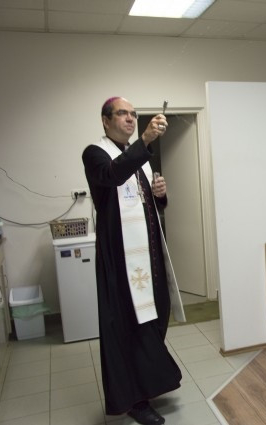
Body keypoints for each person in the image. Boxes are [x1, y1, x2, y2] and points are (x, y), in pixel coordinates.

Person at [82, 97, 181, 425]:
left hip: (149, 258)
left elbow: (148, 204)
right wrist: (147, 140)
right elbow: (113, 175)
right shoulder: (95, 154)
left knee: (156, 317)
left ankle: (146, 384)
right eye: (122, 113)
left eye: (133, 114)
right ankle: (135, 400)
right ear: (105, 120)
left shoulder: (140, 159)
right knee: (128, 328)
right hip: (120, 260)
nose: (130, 118)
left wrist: (160, 195)